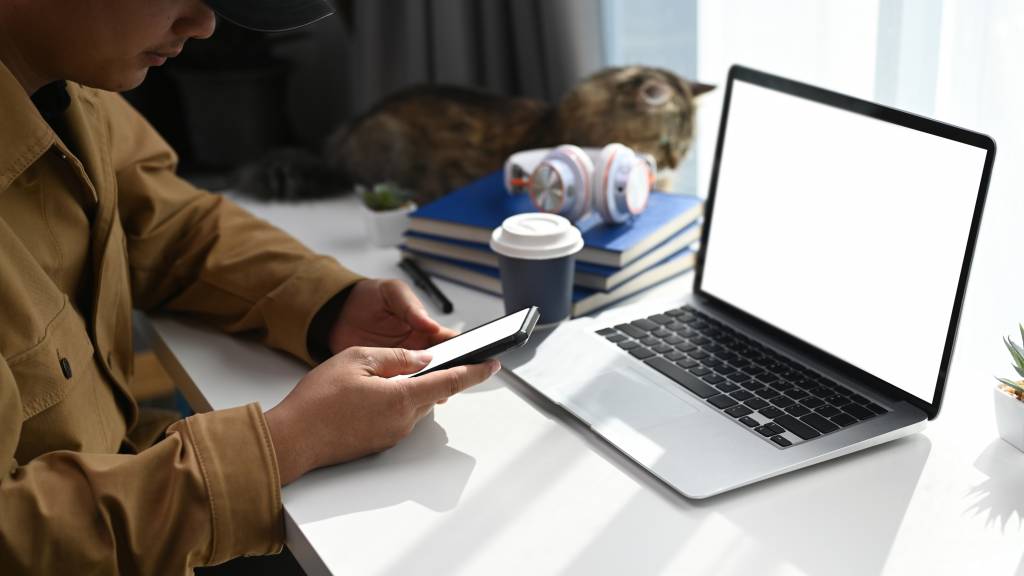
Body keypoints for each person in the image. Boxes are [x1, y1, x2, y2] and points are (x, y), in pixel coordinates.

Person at [0, 0, 498, 573]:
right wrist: (290, 443)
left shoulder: (66, 85)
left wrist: (327, 302)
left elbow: (163, 222)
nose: (204, 25)